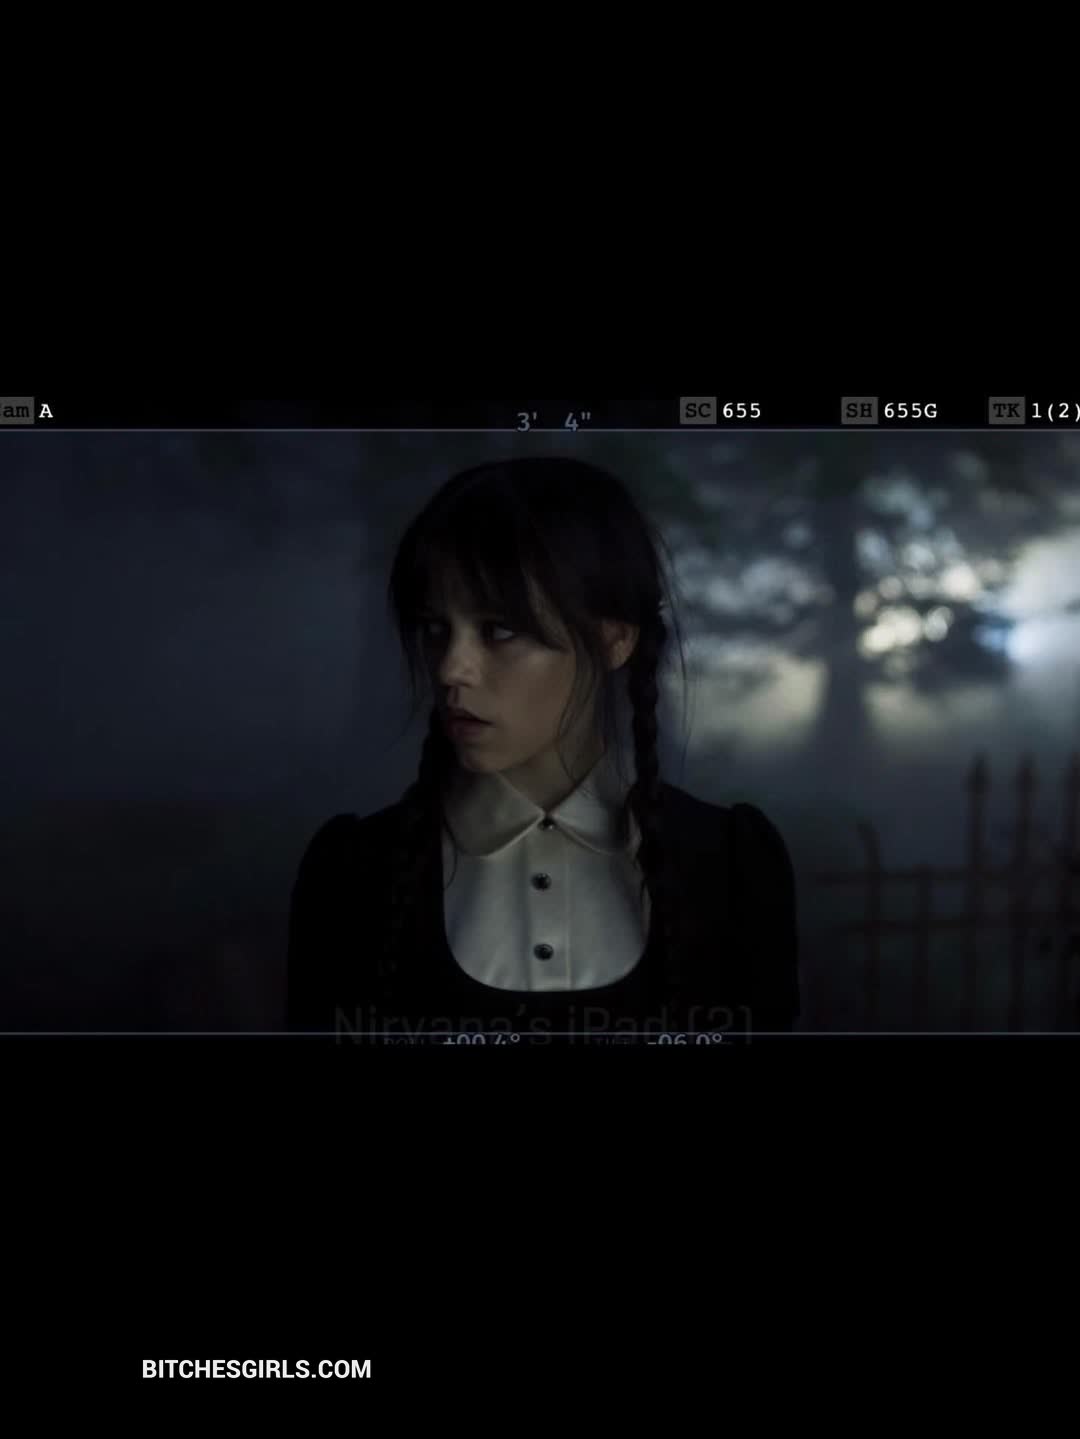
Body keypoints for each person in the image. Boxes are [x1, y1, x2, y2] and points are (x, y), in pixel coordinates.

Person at [286, 456, 799, 1042]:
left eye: (499, 630)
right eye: (435, 628)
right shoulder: (353, 872)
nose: (451, 669)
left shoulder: (732, 865)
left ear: (614, 639)